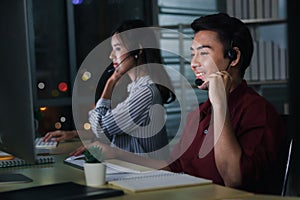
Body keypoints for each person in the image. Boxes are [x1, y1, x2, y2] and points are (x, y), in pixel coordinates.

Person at [85, 13, 287, 194]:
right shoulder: (200, 113)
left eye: (204, 53)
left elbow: (234, 179)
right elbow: (174, 167)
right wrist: (117, 154)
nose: (193, 63)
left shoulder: (258, 112)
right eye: (193, 53)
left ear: (233, 57)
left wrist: (220, 105)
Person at [44, 19, 176, 159]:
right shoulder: (137, 87)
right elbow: (116, 129)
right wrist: (74, 134)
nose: (111, 55)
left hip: (144, 175)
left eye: (118, 48)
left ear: (138, 49)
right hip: (132, 169)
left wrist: (111, 81)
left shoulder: (145, 92)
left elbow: (102, 128)